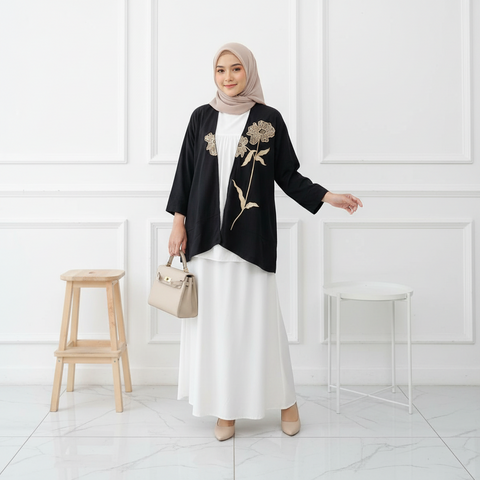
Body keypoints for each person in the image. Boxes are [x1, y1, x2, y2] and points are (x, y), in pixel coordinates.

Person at [167, 42, 362, 441]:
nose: (228, 77)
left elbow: (287, 175)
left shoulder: (268, 119)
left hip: (249, 240)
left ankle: (287, 402)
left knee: (260, 328)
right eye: (221, 70)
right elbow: (185, 173)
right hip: (204, 240)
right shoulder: (201, 117)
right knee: (214, 330)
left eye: (236, 69)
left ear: (249, 71)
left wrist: (327, 196)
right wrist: (178, 225)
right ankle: (225, 410)